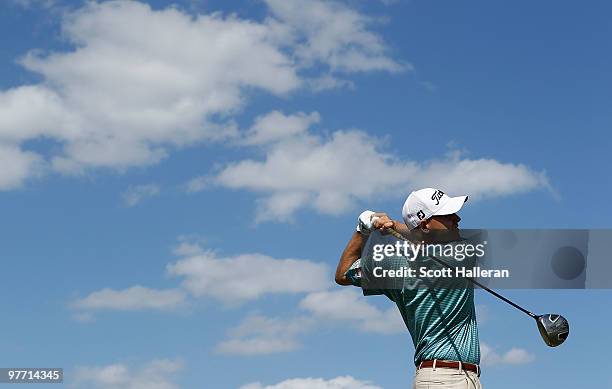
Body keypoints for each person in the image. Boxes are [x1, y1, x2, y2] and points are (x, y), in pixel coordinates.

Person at [335, 188, 482, 389]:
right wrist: (396, 226)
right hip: (446, 379)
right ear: (426, 224)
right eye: (447, 216)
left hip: (443, 377)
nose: (457, 218)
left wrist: (363, 229)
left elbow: (343, 274)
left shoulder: (393, 263)